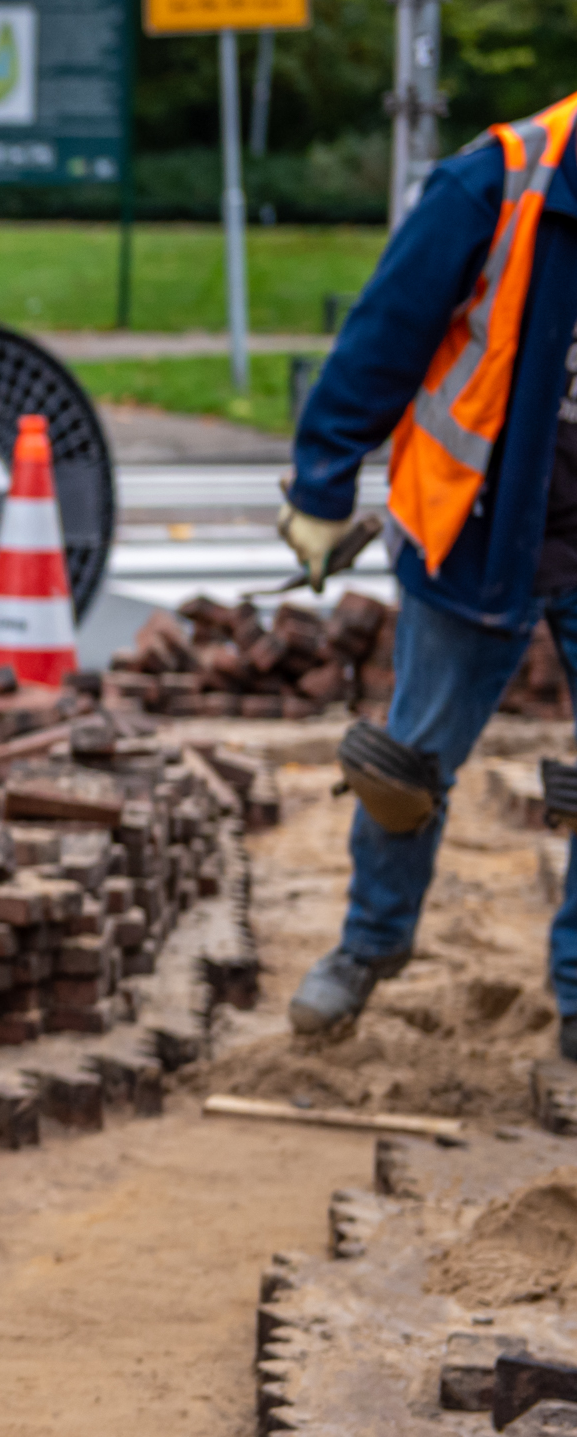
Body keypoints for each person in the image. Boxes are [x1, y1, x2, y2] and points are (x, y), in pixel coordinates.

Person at [280, 88, 577, 1061]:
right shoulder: (493, 181)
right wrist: (322, 481)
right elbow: (382, 336)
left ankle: (576, 1000)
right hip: (486, 524)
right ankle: (367, 948)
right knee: (403, 767)